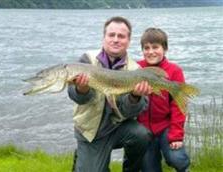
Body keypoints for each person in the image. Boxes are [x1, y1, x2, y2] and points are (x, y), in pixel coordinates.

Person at [67, 16, 152, 172]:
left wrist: (135, 97)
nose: (115, 39)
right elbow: (76, 97)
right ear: (104, 37)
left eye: (121, 36)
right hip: (90, 131)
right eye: (111, 35)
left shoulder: (136, 70)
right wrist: (82, 89)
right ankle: (84, 156)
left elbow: (132, 111)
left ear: (128, 40)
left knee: (142, 135)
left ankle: (130, 170)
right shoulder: (87, 60)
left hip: (117, 128)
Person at [137, 28, 190, 172]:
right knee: (149, 168)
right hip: (143, 130)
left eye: (155, 47)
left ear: (165, 48)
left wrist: (176, 135)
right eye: (146, 48)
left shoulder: (174, 71)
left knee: (177, 159)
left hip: (165, 126)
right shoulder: (136, 68)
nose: (151, 51)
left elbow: (179, 106)